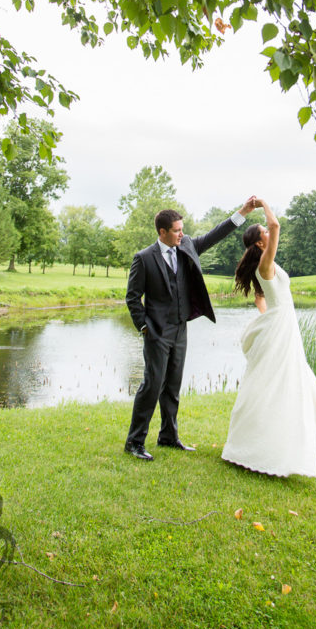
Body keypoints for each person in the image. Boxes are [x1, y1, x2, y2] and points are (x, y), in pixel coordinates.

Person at [222, 200, 316, 478]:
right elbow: (277, 224)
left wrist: (268, 316)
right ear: (260, 244)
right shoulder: (265, 262)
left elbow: (262, 298)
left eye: (265, 229)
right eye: (263, 231)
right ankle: (266, 445)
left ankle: (307, 437)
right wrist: (262, 203)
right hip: (281, 326)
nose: (268, 230)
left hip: (282, 325)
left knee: (293, 378)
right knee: (279, 381)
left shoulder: (267, 265)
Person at [125, 196, 258, 460]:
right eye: (176, 230)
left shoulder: (187, 246)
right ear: (162, 232)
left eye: (181, 229)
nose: (181, 233)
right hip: (156, 332)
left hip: (180, 330)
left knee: (172, 386)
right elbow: (132, 297)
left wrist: (243, 211)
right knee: (152, 385)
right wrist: (144, 326)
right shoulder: (144, 258)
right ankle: (134, 442)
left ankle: (168, 437)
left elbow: (216, 234)